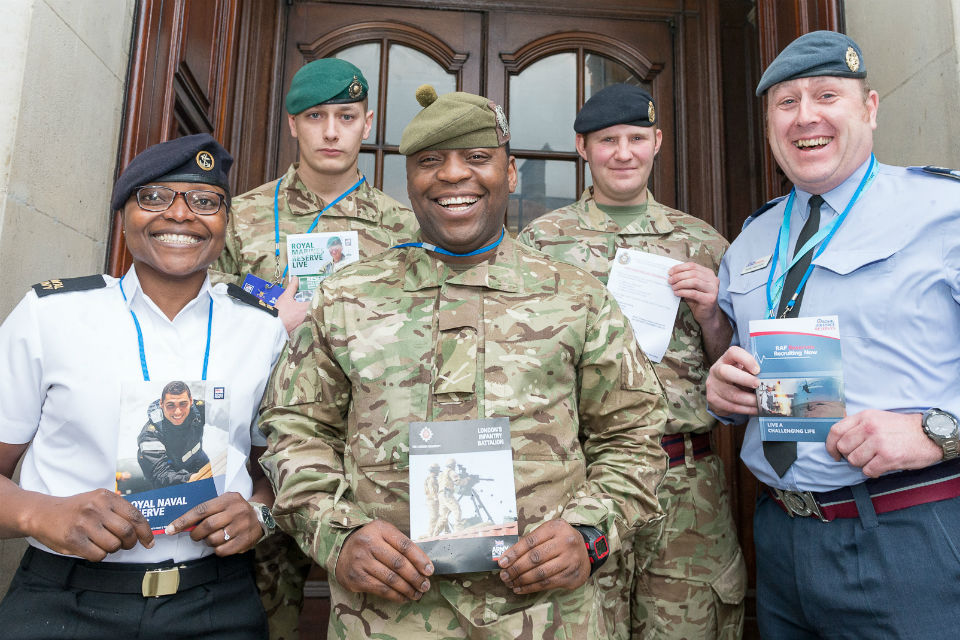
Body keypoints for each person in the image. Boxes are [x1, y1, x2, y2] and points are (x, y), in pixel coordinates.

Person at [258, 85, 669, 638]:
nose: (453, 175)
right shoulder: (347, 298)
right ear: (409, 181)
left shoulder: (576, 297)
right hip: (386, 618)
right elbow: (296, 431)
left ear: (512, 172)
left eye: (477, 158)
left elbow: (634, 434)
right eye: (430, 161)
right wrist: (339, 533)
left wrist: (590, 531)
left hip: (547, 616)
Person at [706, 30, 960, 638]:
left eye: (826, 95)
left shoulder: (943, 213)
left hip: (909, 532)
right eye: (786, 103)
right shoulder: (750, 240)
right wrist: (722, 388)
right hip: (781, 537)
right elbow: (746, 362)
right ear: (769, 124)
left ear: (870, 109)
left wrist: (936, 431)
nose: (806, 117)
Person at [0, 134, 287, 639]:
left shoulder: (260, 330)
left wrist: (260, 514)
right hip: (66, 601)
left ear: (225, 223)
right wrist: (43, 513)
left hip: (218, 602)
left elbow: (273, 472)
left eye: (205, 202)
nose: (181, 215)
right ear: (123, 213)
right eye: (154, 197)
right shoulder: (51, 315)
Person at [519, 83, 746, 640]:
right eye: (607, 140)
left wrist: (714, 312)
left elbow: (735, 370)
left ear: (657, 142)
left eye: (636, 138)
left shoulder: (701, 242)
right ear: (582, 148)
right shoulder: (540, 245)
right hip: (579, 480)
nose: (623, 153)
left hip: (684, 480)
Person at [212, 59, 420, 639]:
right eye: (316, 117)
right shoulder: (244, 217)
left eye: (346, 117)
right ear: (292, 125)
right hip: (261, 448)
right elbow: (204, 304)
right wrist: (264, 303)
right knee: (255, 610)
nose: (331, 131)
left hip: (367, 447)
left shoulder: (403, 228)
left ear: (367, 122)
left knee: (375, 607)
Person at [137, 380, 210, 489]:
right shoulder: (150, 436)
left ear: (191, 401)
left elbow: (227, 417)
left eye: (183, 404)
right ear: (161, 404)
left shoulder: (199, 409)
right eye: (170, 405)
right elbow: (161, 475)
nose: (177, 412)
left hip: (198, 461)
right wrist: (191, 478)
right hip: (170, 481)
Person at [433, 458, 465, 536]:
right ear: (453, 465)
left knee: (443, 516)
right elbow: (458, 482)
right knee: (456, 509)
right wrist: (467, 480)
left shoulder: (442, 474)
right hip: (447, 494)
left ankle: (436, 533)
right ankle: (458, 529)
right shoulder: (450, 472)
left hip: (441, 495)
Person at [424, 463, 441, 537]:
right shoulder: (432, 479)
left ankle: (433, 534)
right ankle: (431, 535)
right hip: (433, 500)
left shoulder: (430, 478)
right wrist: (436, 498)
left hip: (431, 500)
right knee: (434, 517)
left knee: (436, 517)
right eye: (438, 470)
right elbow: (432, 489)